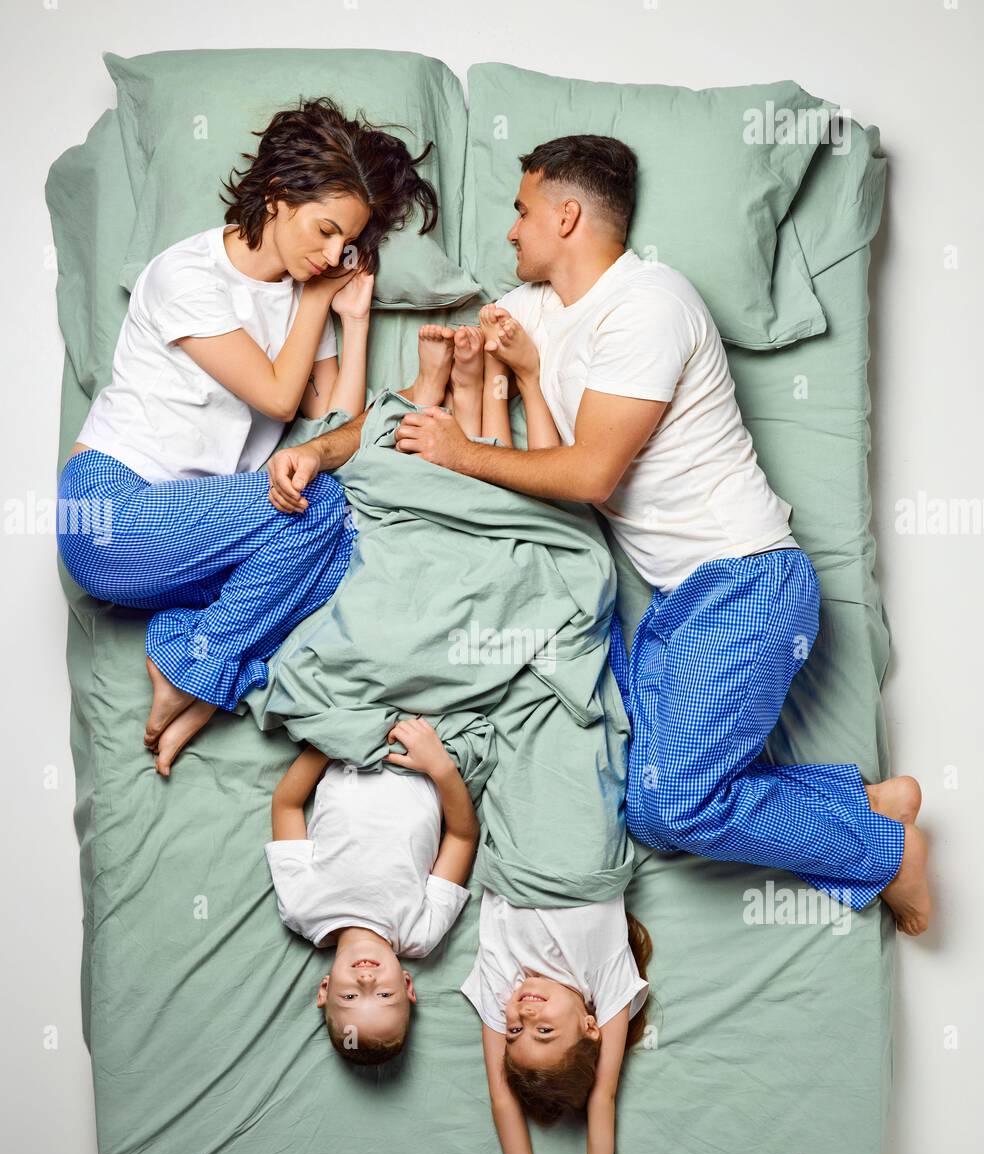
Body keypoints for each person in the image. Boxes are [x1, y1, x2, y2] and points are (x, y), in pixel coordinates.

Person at [387, 133, 931, 938]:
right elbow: (551, 473)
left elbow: (589, 476)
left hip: (747, 580)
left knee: (674, 803)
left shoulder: (651, 302)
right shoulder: (534, 314)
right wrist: (513, 375)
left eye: (522, 210)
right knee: (648, 810)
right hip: (680, 604)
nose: (509, 231)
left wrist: (462, 452)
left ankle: (883, 851)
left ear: (566, 215)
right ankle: (858, 802)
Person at [57, 96, 443, 775]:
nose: (331, 255)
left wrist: (352, 323)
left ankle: (190, 658)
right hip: (111, 512)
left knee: (349, 549)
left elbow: (330, 425)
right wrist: (322, 300)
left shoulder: (305, 299)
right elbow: (274, 394)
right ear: (277, 195)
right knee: (320, 508)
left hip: (197, 533)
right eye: (324, 230)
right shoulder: (188, 275)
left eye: (344, 244)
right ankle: (200, 679)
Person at [267, 717, 478, 1065]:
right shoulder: (420, 934)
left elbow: (286, 805)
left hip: (348, 741)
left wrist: (334, 738)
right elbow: (462, 836)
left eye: (350, 996)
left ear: (325, 989)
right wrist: (440, 767)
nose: (366, 978)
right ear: (407, 986)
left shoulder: (301, 908)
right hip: (428, 755)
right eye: (383, 993)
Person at [461, 889, 651, 1154]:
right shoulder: (605, 977)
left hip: (516, 851)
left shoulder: (503, 980)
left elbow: (502, 1097)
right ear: (590, 1026)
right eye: (544, 1030)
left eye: (514, 1030)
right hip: (584, 858)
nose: (525, 1012)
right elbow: (603, 1095)